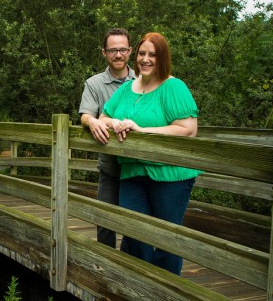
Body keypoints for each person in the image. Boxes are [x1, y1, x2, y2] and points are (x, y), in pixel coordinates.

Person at [99, 32, 202, 275]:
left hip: (169, 175)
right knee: (135, 234)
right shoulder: (127, 89)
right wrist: (116, 123)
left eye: (152, 55)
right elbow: (104, 117)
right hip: (132, 171)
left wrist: (141, 130)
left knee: (167, 238)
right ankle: (140, 288)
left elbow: (188, 129)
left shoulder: (173, 86)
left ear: (162, 58)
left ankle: (166, 292)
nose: (145, 60)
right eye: (142, 54)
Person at [79, 28, 135, 248]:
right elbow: (86, 114)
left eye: (122, 49)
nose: (118, 55)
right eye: (113, 50)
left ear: (130, 51)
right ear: (104, 53)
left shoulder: (142, 80)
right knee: (104, 222)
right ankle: (104, 269)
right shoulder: (94, 84)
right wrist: (92, 121)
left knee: (135, 225)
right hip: (110, 167)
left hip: (137, 167)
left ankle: (130, 269)